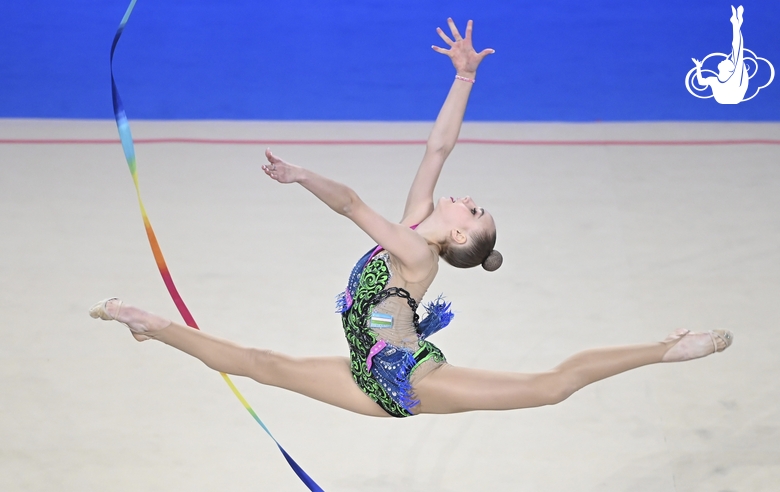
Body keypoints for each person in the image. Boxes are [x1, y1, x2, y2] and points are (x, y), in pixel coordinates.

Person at [91, 18, 732, 418]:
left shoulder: (415, 253)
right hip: (364, 372)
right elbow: (438, 148)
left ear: (458, 236)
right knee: (256, 361)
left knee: (551, 386)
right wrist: (464, 80)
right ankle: (149, 323)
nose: (467, 196)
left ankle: (664, 349)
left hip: (414, 382)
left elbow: (349, 205)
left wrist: (302, 175)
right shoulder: (418, 221)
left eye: (473, 210)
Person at [692, 5, 749, 104]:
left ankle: (736, 23)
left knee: (737, 51)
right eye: (727, 60)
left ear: (729, 69)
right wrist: (698, 67)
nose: (724, 59)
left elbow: (738, 50)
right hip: (726, 98)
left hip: (733, 97)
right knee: (736, 51)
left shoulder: (734, 78)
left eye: (727, 61)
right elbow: (701, 82)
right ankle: (736, 23)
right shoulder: (714, 80)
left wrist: (736, 26)